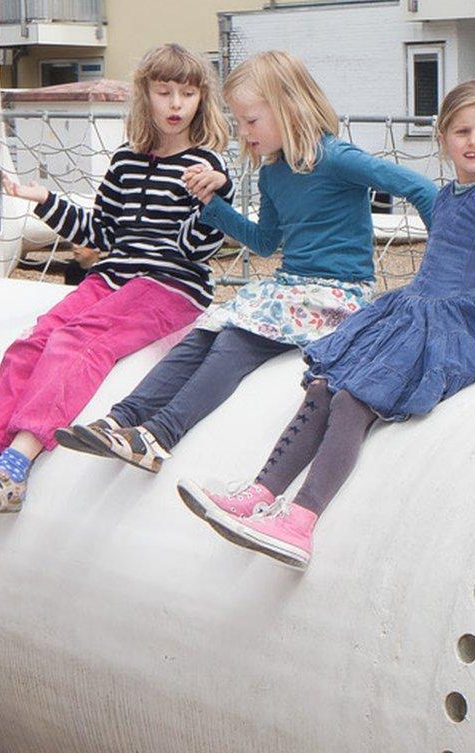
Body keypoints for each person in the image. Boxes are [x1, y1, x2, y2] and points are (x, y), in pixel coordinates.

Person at [179, 78, 475, 569]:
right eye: (462, 131)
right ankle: (261, 492)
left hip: (464, 320)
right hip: (415, 309)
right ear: (442, 138)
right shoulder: (450, 193)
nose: (474, 142)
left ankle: (300, 521)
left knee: (354, 400)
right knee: (324, 385)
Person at [53, 49, 437, 474]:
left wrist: (439, 266)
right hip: (290, 285)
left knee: (235, 343)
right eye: (237, 122)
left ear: (290, 109)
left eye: (250, 121)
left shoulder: (336, 158)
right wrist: (212, 206)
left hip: (336, 292)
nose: (242, 132)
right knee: (202, 334)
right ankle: (121, 418)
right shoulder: (273, 171)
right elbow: (265, 242)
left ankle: (160, 434)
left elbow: (421, 188)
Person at [0, 43, 232, 515]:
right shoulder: (127, 161)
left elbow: (196, 250)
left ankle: (15, 468)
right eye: (164, 92)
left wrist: (214, 204)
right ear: (145, 95)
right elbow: (100, 233)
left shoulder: (205, 167)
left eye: (186, 95)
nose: (174, 105)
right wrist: (44, 199)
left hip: (169, 286)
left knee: (78, 340)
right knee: (32, 341)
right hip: (112, 278)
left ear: (200, 100)